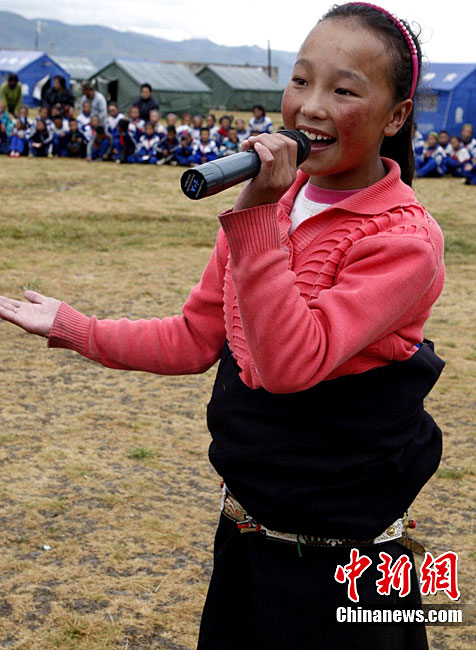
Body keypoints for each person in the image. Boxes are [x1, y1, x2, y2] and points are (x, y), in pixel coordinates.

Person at [0, 4, 446, 649]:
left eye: (344, 91)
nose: (311, 107)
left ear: (396, 115)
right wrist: (75, 327)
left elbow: (290, 364)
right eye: (301, 81)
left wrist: (258, 218)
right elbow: (195, 337)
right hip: (250, 528)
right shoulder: (273, 206)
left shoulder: (405, 241)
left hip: (350, 559)